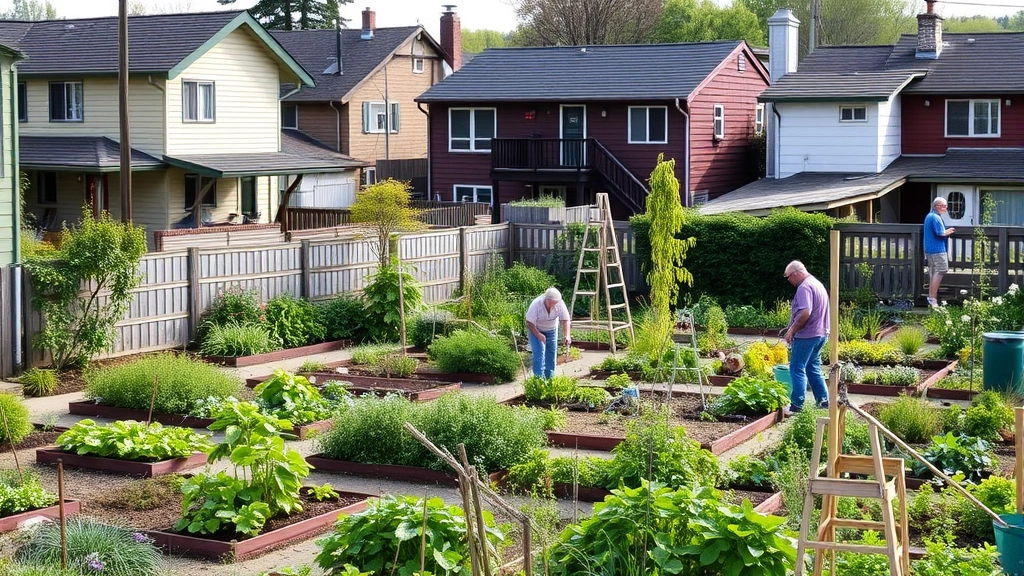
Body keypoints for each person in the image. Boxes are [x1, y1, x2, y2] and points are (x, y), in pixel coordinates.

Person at [782, 260, 829, 415]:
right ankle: (823, 402)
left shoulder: (804, 287)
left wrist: (792, 331)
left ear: (796, 273)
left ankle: (796, 406)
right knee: (813, 367)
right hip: (821, 334)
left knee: (796, 368)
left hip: (807, 335)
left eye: (788, 277)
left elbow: (805, 313)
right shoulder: (817, 283)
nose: (788, 281)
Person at [525, 287, 571, 379]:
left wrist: (567, 335)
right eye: (551, 303)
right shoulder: (536, 304)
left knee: (551, 354)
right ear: (546, 299)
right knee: (539, 354)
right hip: (536, 329)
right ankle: (539, 381)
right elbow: (529, 322)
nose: (552, 306)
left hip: (551, 330)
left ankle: (549, 379)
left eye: (555, 303)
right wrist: (538, 335)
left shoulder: (560, 304)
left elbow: (566, 320)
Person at [924, 197, 955, 307]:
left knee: (933, 271)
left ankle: (931, 297)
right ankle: (933, 297)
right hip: (937, 249)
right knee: (942, 269)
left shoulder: (929, 216)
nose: (946, 208)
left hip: (929, 249)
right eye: (944, 206)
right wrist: (949, 231)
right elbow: (940, 233)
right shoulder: (935, 217)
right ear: (937, 206)